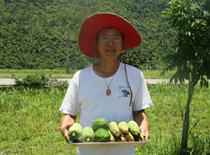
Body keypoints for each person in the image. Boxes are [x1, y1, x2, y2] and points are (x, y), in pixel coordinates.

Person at [59, 12, 153, 155]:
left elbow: (139, 111)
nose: (110, 43)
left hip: (124, 150)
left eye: (116, 38)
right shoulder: (80, 77)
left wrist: (143, 123)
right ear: (96, 44)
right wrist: (65, 123)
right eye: (105, 38)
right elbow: (70, 114)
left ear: (123, 44)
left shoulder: (135, 75)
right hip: (89, 151)